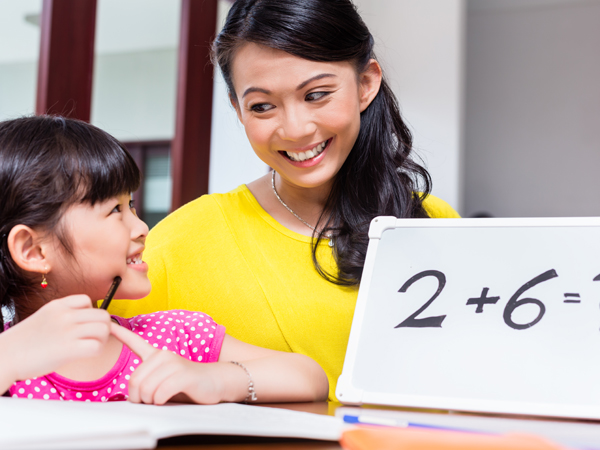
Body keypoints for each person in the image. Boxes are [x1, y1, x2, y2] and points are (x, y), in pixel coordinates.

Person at [109, 0, 461, 400]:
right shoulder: (182, 242)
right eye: (262, 106)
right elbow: (101, 381)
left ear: (366, 84)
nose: (295, 129)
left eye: (316, 95)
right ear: (237, 109)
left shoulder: (432, 222)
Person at [0, 115, 328, 404]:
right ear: (34, 250)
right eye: (115, 210)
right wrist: (10, 356)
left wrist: (213, 379)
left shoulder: (172, 337)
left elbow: (310, 377)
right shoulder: (7, 357)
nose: (142, 228)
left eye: (131, 205)